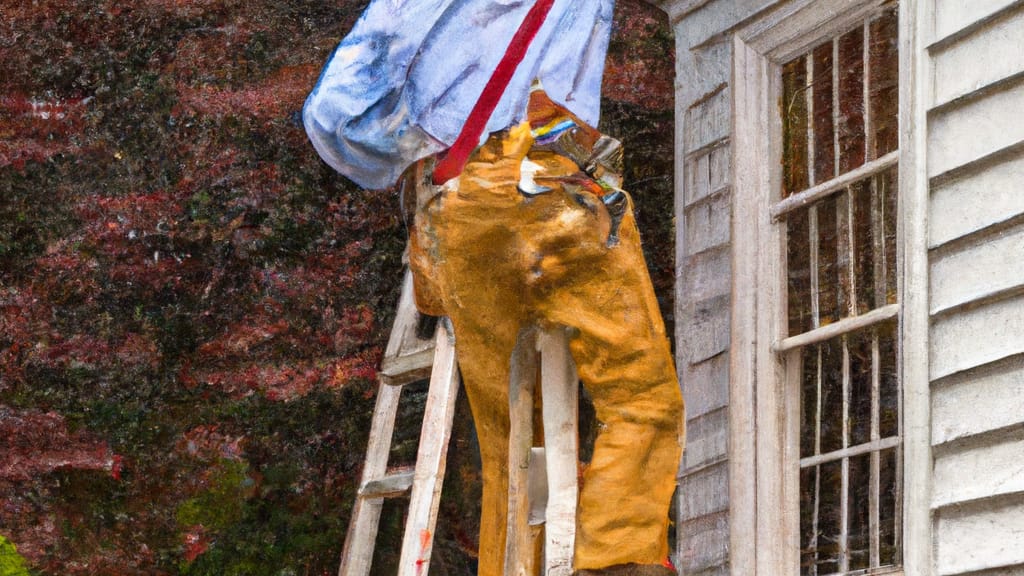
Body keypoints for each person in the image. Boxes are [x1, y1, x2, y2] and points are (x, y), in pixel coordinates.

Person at [304, 2, 684, 575]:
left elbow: (336, 110)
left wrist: (421, 146)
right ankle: (617, 559)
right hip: (559, 181)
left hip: (458, 205)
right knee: (639, 397)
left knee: (509, 434)